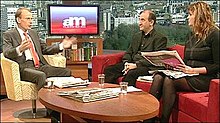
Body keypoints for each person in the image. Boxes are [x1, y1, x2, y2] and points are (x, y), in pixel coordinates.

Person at [148, 2, 219, 122]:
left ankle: (164, 120)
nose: (187, 17)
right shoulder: (190, 35)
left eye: (190, 14)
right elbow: (187, 60)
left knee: (169, 80)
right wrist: (174, 65)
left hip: (205, 78)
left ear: (199, 16)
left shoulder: (215, 34)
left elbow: (218, 66)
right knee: (159, 76)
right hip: (189, 73)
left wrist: (193, 70)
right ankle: (149, 118)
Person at [2, 7, 77, 123]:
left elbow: (45, 49)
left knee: (66, 72)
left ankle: (65, 106)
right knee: (41, 76)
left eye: (31, 18)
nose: (31, 21)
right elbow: (6, 53)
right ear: (18, 20)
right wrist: (19, 49)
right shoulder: (9, 34)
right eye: (28, 18)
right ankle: (53, 112)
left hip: (40, 65)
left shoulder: (33, 33)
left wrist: (61, 46)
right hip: (24, 68)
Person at [104, 10, 168, 86]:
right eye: (139, 20)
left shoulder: (160, 38)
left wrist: (136, 65)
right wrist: (126, 63)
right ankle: (111, 94)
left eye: (143, 20)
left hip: (147, 67)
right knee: (109, 70)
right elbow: (129, 52)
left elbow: (156, 59)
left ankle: (125, 95)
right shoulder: (137, 36)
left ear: (151, 22)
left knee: (132, 73)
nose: (139, 23)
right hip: (132, 64)